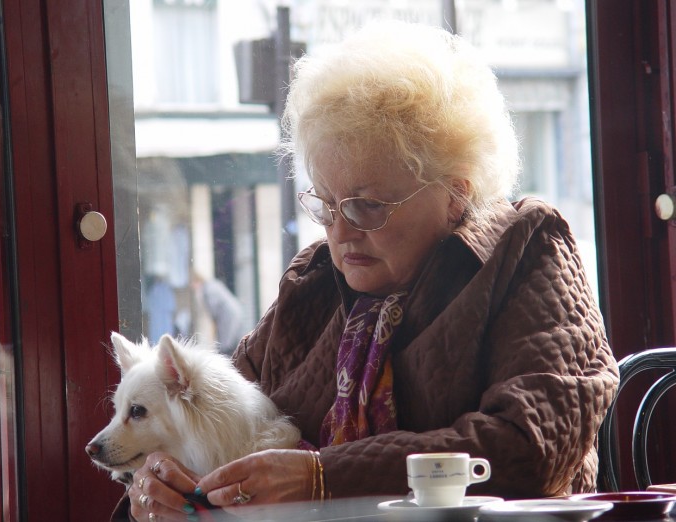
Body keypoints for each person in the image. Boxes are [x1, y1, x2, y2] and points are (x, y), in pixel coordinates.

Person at [113, 19, 619, 521]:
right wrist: (155, 492)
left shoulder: (525, 249)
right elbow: (211, 420)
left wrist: (323, 477)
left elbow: (529, 445)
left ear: (455, 195)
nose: (341, 232)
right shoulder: (311, 284)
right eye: (326, 204)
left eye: (368, 206)